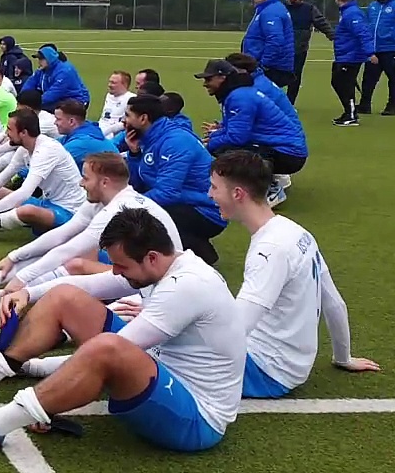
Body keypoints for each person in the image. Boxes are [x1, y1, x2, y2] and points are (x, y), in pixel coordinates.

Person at [0, 208, 243, 456]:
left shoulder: (186, 286)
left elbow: (109, 352)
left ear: (152, 257)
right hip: (161, 369)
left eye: (122, 266)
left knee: (107, 347)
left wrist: (49, 396)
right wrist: (26, 292)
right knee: (65, 298)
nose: (116, 273)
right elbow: (87, 284)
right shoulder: (164, 265)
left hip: (196, 418)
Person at [208, 150, 379, 398]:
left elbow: (235, 329)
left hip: (265, 372)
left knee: (162, 350)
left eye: (214, 187)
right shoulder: (296, 232)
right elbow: (334, 303)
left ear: (237, 194)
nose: (209, 194)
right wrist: (344, 357)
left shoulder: (269, 251)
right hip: (289, 365)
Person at [0, 152, 181, 313]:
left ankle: (0, 297)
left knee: (75, 264)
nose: (81, 183)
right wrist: (13, 257)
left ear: (104, 182)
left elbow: (69, 248)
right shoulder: (103, 201)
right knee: (73, 262)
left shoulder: (118, 210)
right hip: (140, 273)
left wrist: (23, 278)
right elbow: (62, 234)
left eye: (86, 178)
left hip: (154, 284)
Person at [123, 93, 227, 264]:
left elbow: (167, 193)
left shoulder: (175, 142)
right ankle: (196, 249)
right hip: (185, 201)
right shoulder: (150, 138)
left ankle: (200, 255)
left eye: (128, 115)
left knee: (145, 218)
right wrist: (134, 155)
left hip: (208, 210)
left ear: (143, 119)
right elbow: (139, 183)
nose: (124, 120)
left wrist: (129, 203)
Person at [197, 59, 307, 207]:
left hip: (289, 153)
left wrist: (209, 145)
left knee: (226, 150)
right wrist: (214, 136)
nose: (205, 84)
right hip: (284, 147)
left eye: (208, 79)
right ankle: (267, 179)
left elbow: (237, 137)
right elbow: (234, 128)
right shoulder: (238, 93)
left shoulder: (239, 97)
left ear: (222, 77)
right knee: (224, 146)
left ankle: (271, 188)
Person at [329, 0, 373, 126]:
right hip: (345, 54)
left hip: (351, 56)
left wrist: (370, 53)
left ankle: (351, 114)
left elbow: (362, 33)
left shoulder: (352, 13)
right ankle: (349, 112)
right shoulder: (346, 11)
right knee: (339, 82)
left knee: (343, 84)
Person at [284, 0, 334, 104]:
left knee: (295, 77)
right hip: (281, 50)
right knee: (276, 76)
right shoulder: (281, 8)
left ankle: (290, 103)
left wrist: (333, 35)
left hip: (300, 49)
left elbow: (321, 22)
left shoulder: (309, 9)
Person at [241, 0, 295, 89]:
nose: (253, 0)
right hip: (272, 65)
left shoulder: (270, 12)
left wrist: (264, 64)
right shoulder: (271, 9)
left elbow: (275, 40)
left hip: (271, 68)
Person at [358, 0, 395, 116]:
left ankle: (392, 106)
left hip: (390, 49)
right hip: (374, 49)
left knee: (393, 78)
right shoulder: (372, 6)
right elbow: (367, 24)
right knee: (368, 79)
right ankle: (365, 105)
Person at [51, 100, 118, 172]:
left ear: (71, 121)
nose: (55, 122)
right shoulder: (83, 132)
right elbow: (52, 145)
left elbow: (50, 160)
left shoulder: (80, 143)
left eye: (58, 119)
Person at [24, 45, 90, 111]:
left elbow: (54, 93)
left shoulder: (64, 71)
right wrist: (22, 98)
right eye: (38, 59)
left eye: (41, 59)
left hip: (77, 101)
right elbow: (31, 82)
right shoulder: (42, 70)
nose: (39, 62)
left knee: (43, 111)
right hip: (60, 99)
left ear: (49, 59)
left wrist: (33, 104)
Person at [98, 70, 133, 138]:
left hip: (113, 136)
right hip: (100, 130)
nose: (109, 85)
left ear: (124, 84)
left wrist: (107, 131)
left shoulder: (130, 99)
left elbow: (127, 123)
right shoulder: (109, 96)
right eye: (109, 82)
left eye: (113, 83)